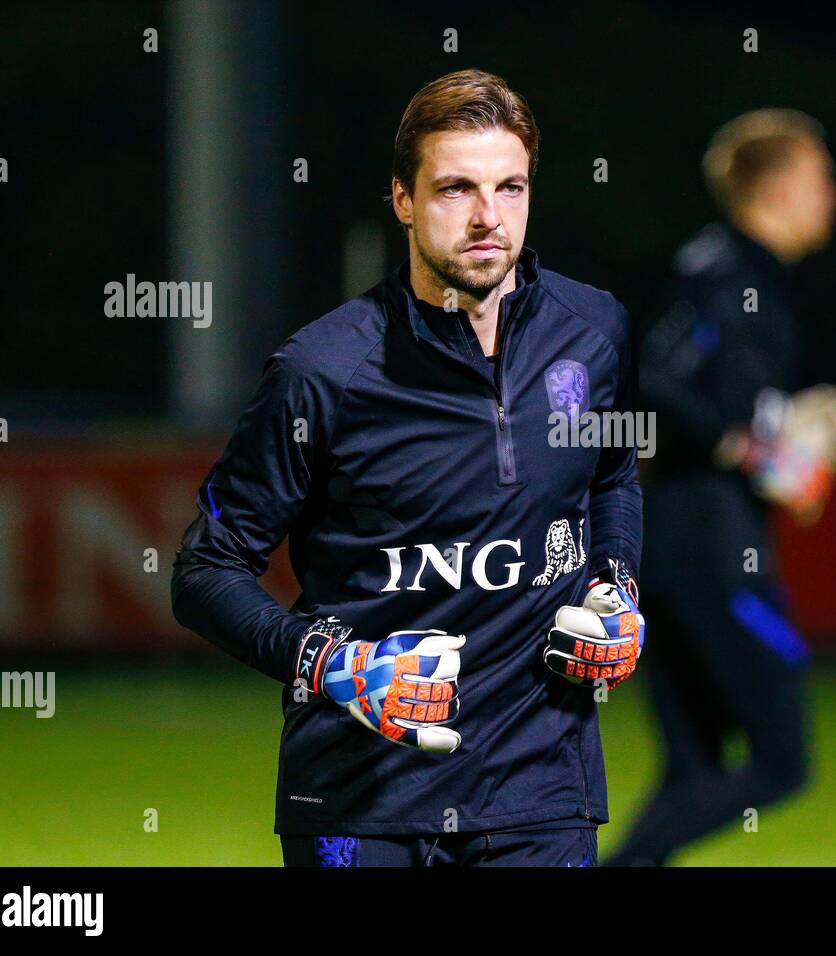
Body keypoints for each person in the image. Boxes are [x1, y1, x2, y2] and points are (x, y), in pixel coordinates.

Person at [171, 69, 644, 867]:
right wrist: (331, 663)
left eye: (511, 187)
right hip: (362, 802)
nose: (490, 218)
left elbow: (612, 479)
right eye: (456, 189)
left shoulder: (594, 332)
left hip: (542, 792)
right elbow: (204, 569)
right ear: (402, 200)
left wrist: (616, 589)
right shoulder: (322, 371)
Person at [606, 109, 836, 866]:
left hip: (669, 540)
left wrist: (766, 452)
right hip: (711, 550)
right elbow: (658, 378)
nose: (832, 194)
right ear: (774, 189)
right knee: (782, 762)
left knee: (695, 770)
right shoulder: (733, 278)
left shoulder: (719, 272)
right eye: (818, 177)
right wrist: (747, 446)